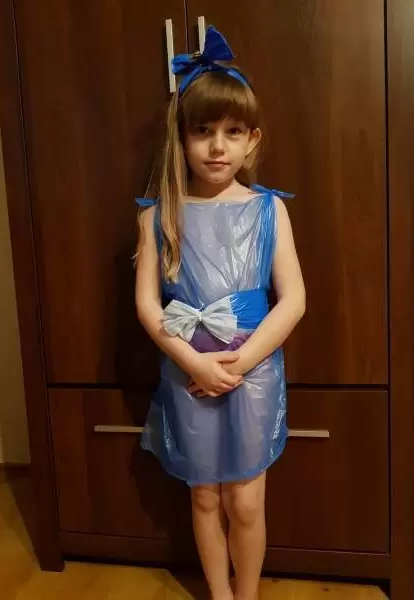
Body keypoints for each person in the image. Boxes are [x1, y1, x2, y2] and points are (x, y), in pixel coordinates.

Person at [135, 25, 305, 600]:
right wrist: (196, 364)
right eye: (203, 131)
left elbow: (294, 300)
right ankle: (220, 594)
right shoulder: (158, 214)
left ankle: (246, 594)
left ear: (252, 140)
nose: (217, 146)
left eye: (232, 132)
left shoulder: (269, 211)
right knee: (204, 496)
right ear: (182, 138)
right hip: (187, 374)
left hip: (252, 374)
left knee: (246, 501)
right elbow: (147, 305)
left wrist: (239, 363)